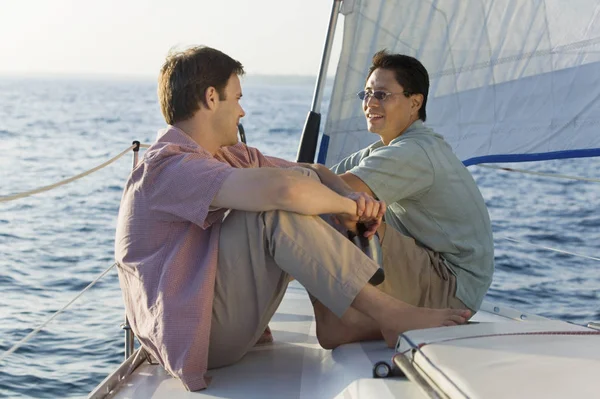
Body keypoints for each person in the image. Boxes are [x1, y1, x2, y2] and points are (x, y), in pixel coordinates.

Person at [114, 45, 470, 391]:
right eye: (237, 98)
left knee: (292, 190)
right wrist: (347, 210)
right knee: (272, 209)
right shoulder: (168, 167)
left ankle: (357, 316)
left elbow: (310, 172)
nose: (242, 112)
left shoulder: (228, 155)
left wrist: (348, 197)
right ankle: (387, 314)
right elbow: (283, 193)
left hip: (222, 323)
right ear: (211, 98)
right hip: (196, 336)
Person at [307, 50, 494, 348]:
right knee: (299, 204)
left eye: (382, 94)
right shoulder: (384, 150)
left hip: (449, 287)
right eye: (367, 94)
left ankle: (372, 320)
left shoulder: (414, 152)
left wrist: (309, 175)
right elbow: (314, 181)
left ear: (415, 102)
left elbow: (324, 192)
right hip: (434, 275)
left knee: (334, 210)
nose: (370, 103)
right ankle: (353, 324)